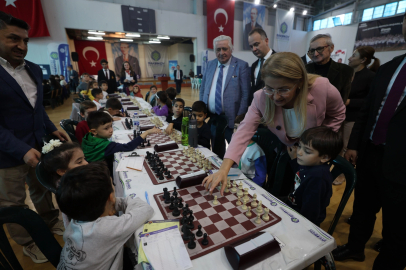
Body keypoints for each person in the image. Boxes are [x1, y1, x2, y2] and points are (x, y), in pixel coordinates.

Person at [202, 52, 346, 195]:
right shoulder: (260, 97)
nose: (275, 96)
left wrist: (318, 143)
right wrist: (223, 169)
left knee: (309, 193)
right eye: (269, 88)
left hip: (312, 154)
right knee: (284, 189)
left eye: (284, 89)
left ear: (299, 82)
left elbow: (338, 113)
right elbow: (243, 131)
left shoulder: (321, 88)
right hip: (286, 148)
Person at [332, 13, 406, 270]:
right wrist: (353, 145)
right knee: (362, 208)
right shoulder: (389, 68)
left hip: (402, 163)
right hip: (371, 153)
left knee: (397, 223)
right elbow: (367, 113)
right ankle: (355, 248)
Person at [0, 11, 69, 263]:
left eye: (26, 40)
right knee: (13, 202)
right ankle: (27, 242)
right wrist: (20, 149)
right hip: (6, 155)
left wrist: (51, 128)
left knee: (41, 188)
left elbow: (37, 108)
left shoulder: (34, 69)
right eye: (13, 38)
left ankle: (50, 221)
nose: (22, 46)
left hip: (39, 145)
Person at [56, 163, 153, 270]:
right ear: (110, 197)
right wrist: (113, 203)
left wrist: (110, 204)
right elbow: (145, 209)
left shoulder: (76, 215)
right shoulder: (106, 229)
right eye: (113, 185)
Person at [333, 46, 379, 185]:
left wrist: (350, 101)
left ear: (363, 60)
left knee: (346, 146)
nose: (350, 58)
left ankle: (341, 174)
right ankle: (335, 170)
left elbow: (370, 100)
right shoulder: (347, 73)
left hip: (353, 118)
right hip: (340, 115)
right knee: (336, 145)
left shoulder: (370, 76)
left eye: (354, 55)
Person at [199, 35, 250, 158]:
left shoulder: (241, 65)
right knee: (216, 149)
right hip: (212, 118)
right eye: (218, 49)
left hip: (231, 119)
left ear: (231, 49)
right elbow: (203, 88)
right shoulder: (210, 64)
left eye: (224, 49)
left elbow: (246, 93)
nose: (221, 53)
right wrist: (201, 108)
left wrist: (240, 116)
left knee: (234, 152)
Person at [286, 126, 343, 226]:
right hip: (293, 206)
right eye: (299, 146)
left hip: (302, 220)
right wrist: (294, 160)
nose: (299, 152)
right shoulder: (309, 164)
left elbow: (310, 212)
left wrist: (299, 225)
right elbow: (300, 176)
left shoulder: (318, 178)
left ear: (324, 157)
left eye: (307, 151)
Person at [82, 111, 161, 163]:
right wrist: (147, 132)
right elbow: (129, 147)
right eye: (106, 128)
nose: (111, 130)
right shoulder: (107, 146)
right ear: (94, 131)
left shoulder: (87, 137)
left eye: (111, 126)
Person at [305, 34, 353, 104]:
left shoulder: (345, 70)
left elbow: (342, 100)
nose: (315, 54)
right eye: (312, 50)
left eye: (320, 49)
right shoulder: (305, 69)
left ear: (331, 48)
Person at [234, 114, 266, 187]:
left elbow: (261, 177)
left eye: (241, 129)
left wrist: (252, 187)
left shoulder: (257, 151)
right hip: (236, 178)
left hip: (249, 182)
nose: (236, 132)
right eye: (235, 128)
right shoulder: (234, 145)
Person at [247, 28, 276, 105]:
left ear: (266, 41)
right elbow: (254, 89)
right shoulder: (254, 65)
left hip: (273, 108)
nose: (254, 49)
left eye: (256, 44)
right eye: (251, 46)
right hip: (256, 109)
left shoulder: (279, 60)